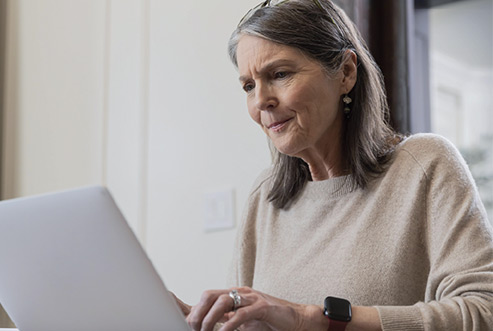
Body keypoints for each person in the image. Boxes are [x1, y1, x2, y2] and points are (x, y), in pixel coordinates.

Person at [174, 0, 493, 330]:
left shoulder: (426, 165)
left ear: (346, 72)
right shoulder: (264, 197)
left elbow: (484, 312)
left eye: (280, 74)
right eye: (249, 85)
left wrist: (313, 319)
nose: (260, 101)